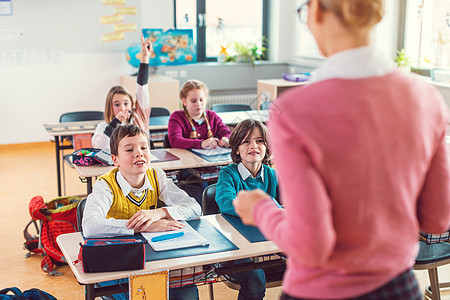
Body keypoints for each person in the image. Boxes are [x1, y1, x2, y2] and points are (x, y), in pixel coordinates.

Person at [233, 1, 450, 299]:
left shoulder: (295, 111)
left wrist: (261, 209)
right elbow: (437, 219)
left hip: (322, 290)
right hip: (399, 286)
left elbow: (311, 245)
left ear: (317, 10)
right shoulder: (427, 97)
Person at [83, 124, 201, 300]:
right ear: (115, 160)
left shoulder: (156, 176)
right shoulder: (105, 185)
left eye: (144, 147)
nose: (139, 153)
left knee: (188, 294)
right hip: (117, 261)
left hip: (153, 257)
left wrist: (159, 213)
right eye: (129, 149)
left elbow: (194, 207)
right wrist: (143, 227)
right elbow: (90, 226)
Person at [215, 119, 280, 300]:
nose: (254, 146)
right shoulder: (228, 174)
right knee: (254, 281)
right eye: (246, 141)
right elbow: (226, 201)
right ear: (236, 148)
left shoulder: (272, 175)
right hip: (235, 248)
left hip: (267, 245)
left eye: (260, 141)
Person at [92, 34, 152, 153]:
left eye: (126, 103)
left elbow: (142, 87)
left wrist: (145, 58)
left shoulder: (138, 119)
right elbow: (99, 147)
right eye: (117, 104)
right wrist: (115, 122)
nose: (122, 108)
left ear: (132, 104)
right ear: (110, 106)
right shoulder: (104, 127)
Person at [167, 79, 231, 149]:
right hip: (187, 158)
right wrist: (201, 144)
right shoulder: (177, 117)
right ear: (184, 101)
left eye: (201, 100)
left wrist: (226, 139)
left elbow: (228, 133)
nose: (198, 104)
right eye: (193, 101)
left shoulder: (212, 116)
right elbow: (175, 141)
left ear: (206, 99)